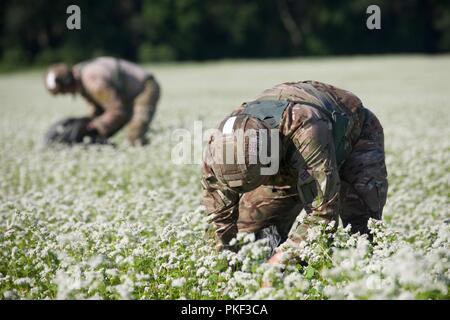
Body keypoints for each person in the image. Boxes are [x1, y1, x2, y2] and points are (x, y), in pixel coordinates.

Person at [201, 80, 388, 266]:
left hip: (352, 136)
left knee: (363, 232)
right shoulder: (218, 150)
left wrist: (283, 258)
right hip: (284, 155)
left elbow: (323, 213)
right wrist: (222, 266)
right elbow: (217, 219)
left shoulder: (305, 129)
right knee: (252, 242)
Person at [44, 57, 160, 145]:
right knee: (100, 133)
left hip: (144, 89)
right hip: (124, 94)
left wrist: (94, 126)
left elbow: (118, 112)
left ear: (68, 84)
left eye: (63, 92)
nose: (66, 94)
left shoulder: (93, 81)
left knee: (135, 136)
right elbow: (98, 109)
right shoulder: (80, 75)